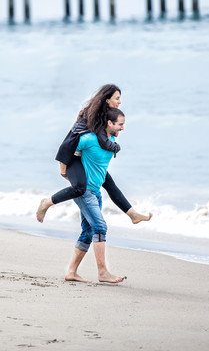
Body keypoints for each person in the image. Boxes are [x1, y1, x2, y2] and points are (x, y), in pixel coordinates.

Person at [36, 84, 151, 225]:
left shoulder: (105, 113)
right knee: (80, 188)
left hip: (83, 154)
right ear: (107, 99)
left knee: (109, 183)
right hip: (73, 156)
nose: (120, 101)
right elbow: (101, 142)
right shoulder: (96, 115)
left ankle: (132, 214)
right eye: (117, 98)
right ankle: (47, 202)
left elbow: (105, 138)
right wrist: (63, 168)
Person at [65, 108, 131, 283]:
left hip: (96, 192)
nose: (123, 128)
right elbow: (67, 150)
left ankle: (71, 272)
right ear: (109, 123)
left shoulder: (111, 140)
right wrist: (66, 172)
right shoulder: (89, 139)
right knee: (100, 227)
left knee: (87, 231)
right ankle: (103, 272)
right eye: (120, 124)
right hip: (84, 191)